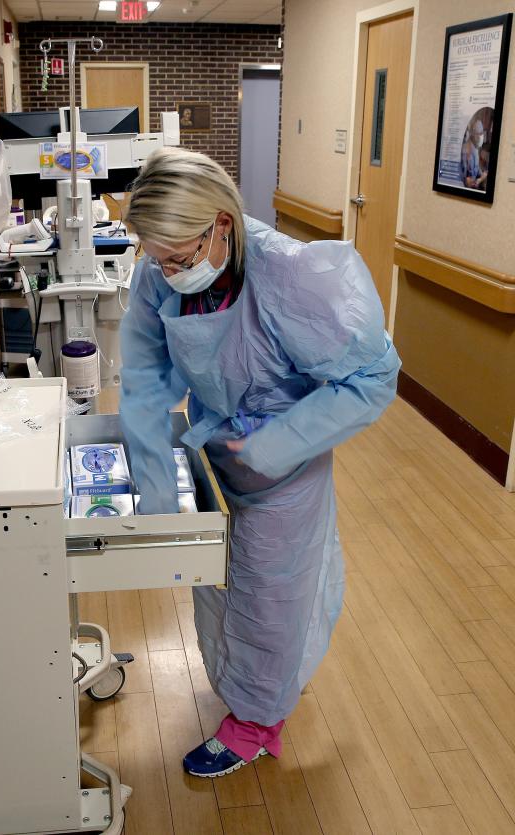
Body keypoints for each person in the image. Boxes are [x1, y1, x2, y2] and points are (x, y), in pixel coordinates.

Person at [120, 148, 400, 778]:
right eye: (155, 258)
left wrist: (277, 445)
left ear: (222, 223)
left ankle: (255, 725)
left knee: (271, 598)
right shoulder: (158, 273)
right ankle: (246, 687)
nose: (166, 273)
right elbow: (142, 377)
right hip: (214, 455)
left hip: (287, 468)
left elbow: (375, 377)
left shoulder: (294, 278)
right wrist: (155, 485)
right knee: (220, 589)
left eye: (179, 258)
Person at [462, 120, 488, 190]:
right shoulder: (466, 151)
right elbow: (464, 180)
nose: (481, 136)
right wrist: (471, 182)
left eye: (482, 133)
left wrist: (481, 175)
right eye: (479, 134)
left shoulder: (476, 148)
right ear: (474, 135)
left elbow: (476, 167)